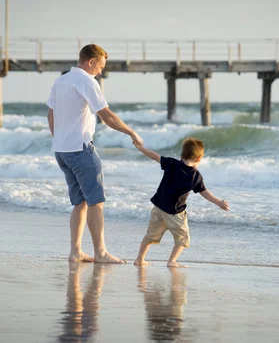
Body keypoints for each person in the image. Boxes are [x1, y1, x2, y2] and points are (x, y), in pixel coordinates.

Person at [47, 44, 143, 264]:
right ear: (90, 61)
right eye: (100, 66)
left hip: (61, 151)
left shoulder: (60, 81)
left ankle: (75, 251)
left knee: (79, 203)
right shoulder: (86, 81)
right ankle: (100, 252)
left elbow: (50, 115)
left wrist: (59, 138)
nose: (101, 72)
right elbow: (106, 116)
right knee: (96, 202)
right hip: (81, 150)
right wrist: (131, 132)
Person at [133, 137, 230, 268]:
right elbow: (204, 192)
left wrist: (140, 147)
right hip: (175, 213)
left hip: (159, 208)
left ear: (181, 155)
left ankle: (140, 259)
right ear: (198, 159)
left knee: (150, 236)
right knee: (182, 239)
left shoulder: (172, 164)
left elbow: (154, 156)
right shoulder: (196, 176)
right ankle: (171, 261)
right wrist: (218, 202)